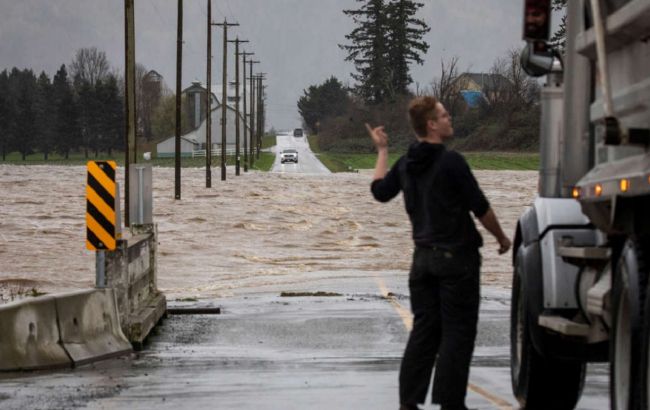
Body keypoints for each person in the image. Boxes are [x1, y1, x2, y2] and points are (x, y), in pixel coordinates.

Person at [366, 96, 511, 410]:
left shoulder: (406, 164)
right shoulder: (451, 162)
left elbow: (379, 192)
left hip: (422, 263)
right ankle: (451, 404)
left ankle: (408, 402)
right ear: (431, 124)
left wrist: (381, 151)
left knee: (424, 333)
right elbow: (481, 208)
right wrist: (501, 237)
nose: (449, 119)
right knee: (457, 335)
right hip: (457, 262)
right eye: (444, 115)